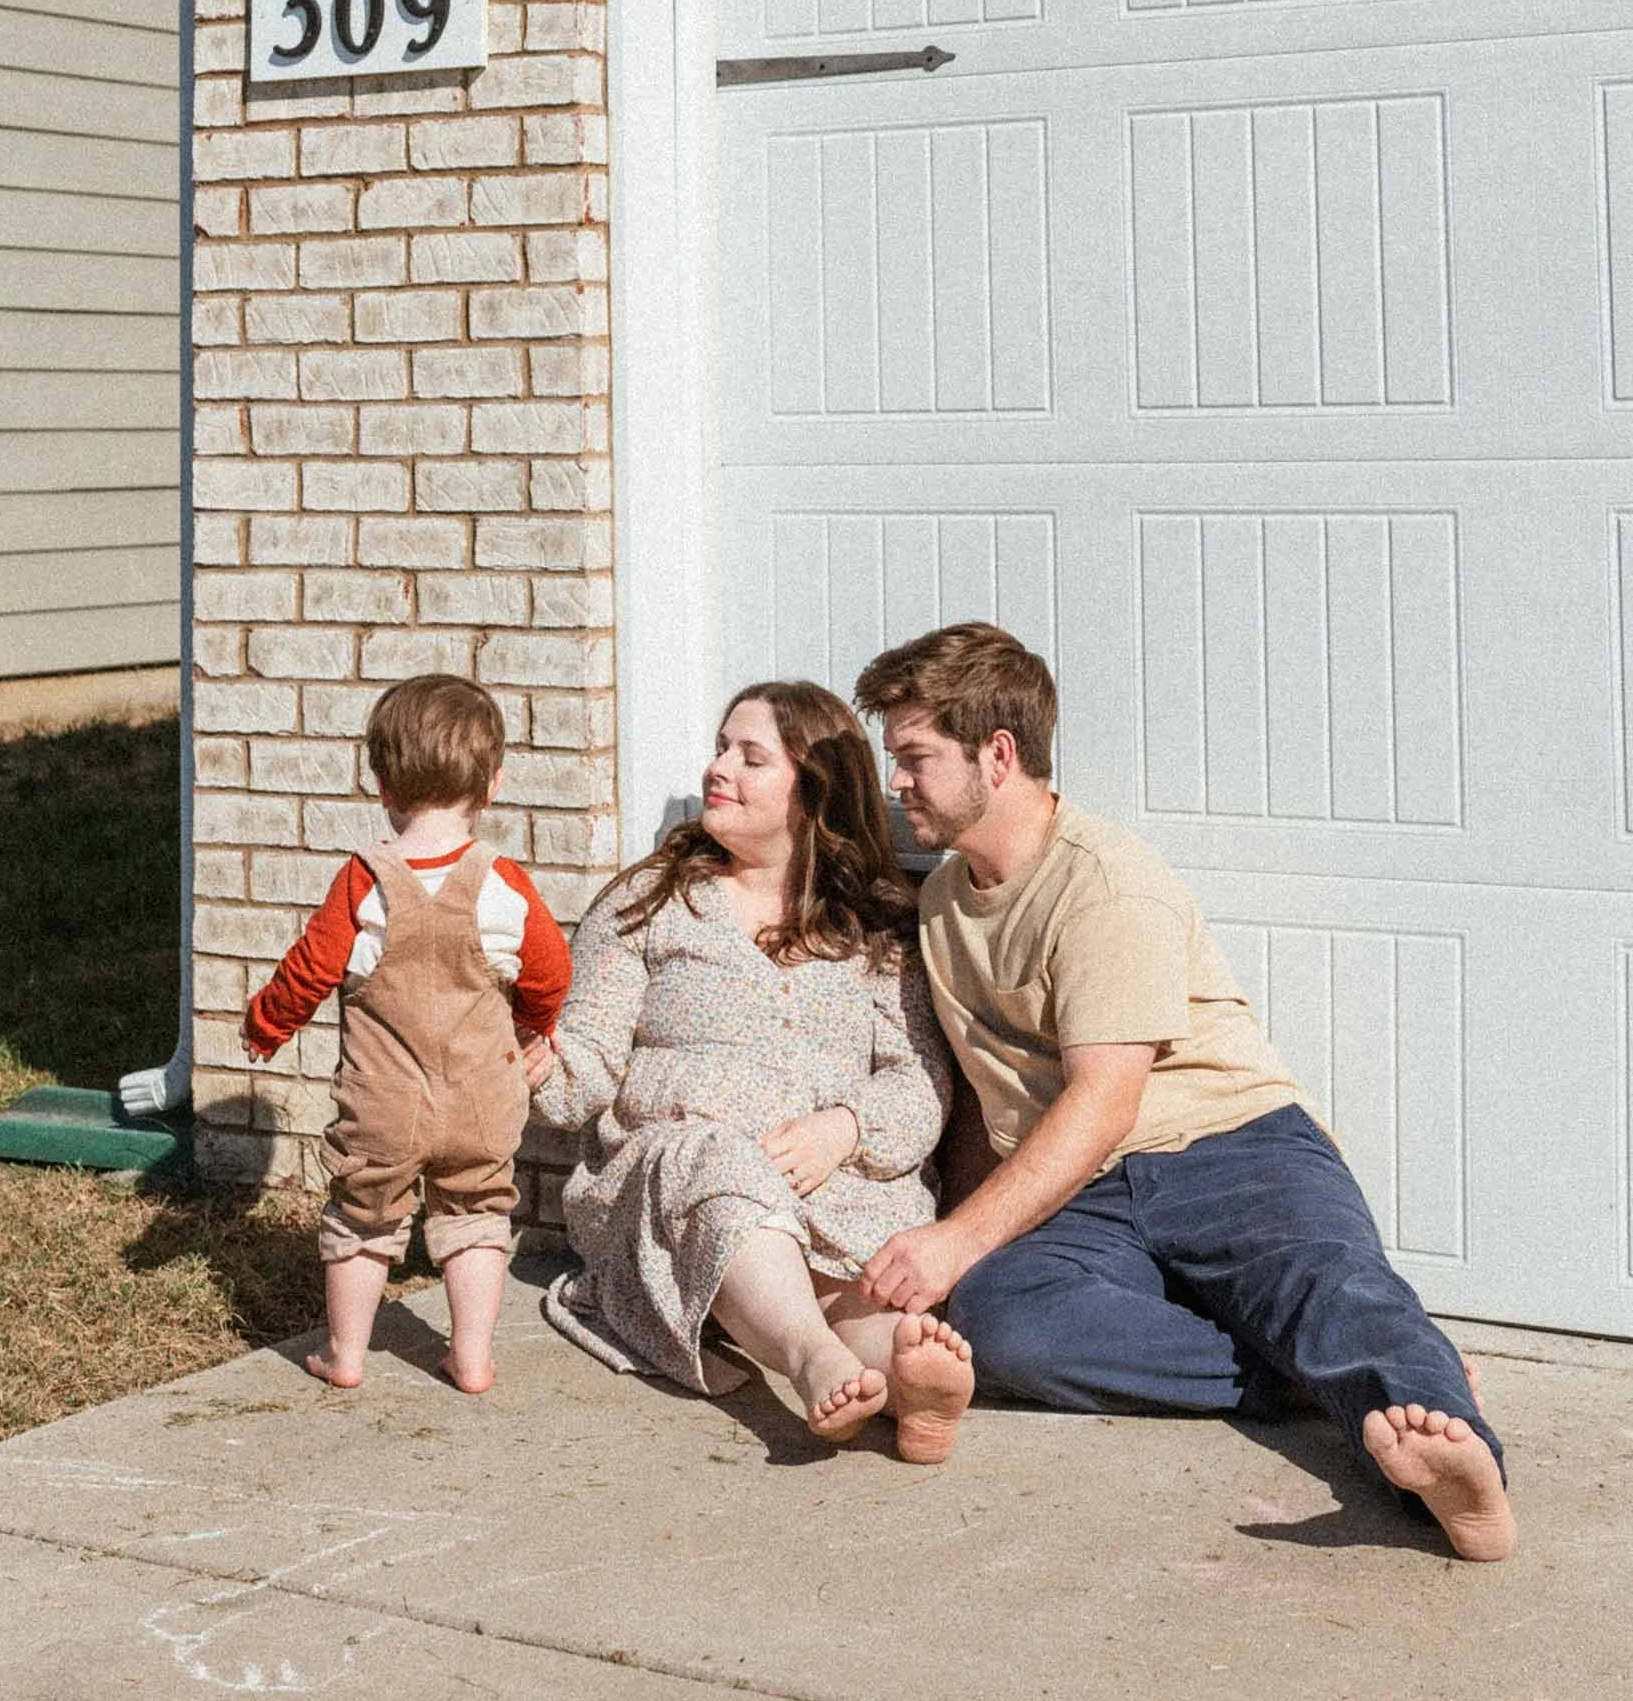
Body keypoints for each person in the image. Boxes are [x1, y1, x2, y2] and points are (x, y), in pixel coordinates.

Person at [852, 623, 1516, 1563]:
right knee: (1005, 1321)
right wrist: (960, 1240)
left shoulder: (1105, 885)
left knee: (1329, 1291)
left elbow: (1105, 1100)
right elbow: (984, 1090)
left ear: (997, 757)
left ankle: (1460, 1480)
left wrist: (955, 1239)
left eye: (915, 758)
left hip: (1231, 1148)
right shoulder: (945, 901)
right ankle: (1320, 1380)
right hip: (1085, 1189)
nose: (898, 783)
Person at [529, 680, 974, 1461]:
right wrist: (533, 1063)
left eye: (751, 757)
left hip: (831, 1181)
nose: (718, 769)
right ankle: (810, 1360)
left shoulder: (873, 927)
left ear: (813, 796)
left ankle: (907, 1391)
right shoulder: (650, 901)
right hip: (675, 1175)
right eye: (720, 748)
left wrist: (845, 1129)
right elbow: (588, 1057)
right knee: (723, 1168)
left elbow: (919, 1080)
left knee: (866, 1295)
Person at [240, 673, 570, 1396]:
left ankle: (347, 1354)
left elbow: (309, 967)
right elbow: (550, 968)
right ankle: (473, 1357)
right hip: (483, 1095)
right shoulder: (503, 884)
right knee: (478, 1211)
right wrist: (534, 1024)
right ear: (493, 786)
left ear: (382, 785)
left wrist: (267, 1023)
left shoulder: (364, 881)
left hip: (384, 1099)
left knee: (362, 1216)